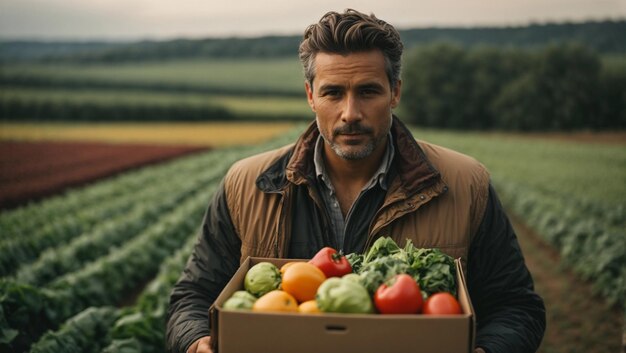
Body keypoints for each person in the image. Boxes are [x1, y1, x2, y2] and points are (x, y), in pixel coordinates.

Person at [166, 8, 546, 353]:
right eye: (333, 92)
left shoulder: (467, 185)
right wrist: (196, 340)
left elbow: (516, 306)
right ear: (311, 96)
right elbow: (193, 296)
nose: (351, 113)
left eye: (368, 92)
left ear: (394, 92)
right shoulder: (246, 185)